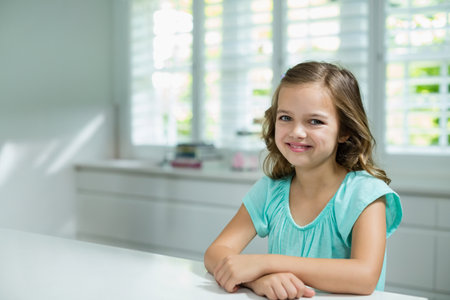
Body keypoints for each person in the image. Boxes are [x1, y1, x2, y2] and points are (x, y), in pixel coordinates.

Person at [204, 61, 402, 300]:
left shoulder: (365, 195)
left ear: (344, 131)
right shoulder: (270, 191)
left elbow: (364, 276)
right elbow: (215, 253)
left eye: (315, 121)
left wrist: (266, 263)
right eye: (286, 117)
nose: (296, 132)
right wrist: (257, 280)